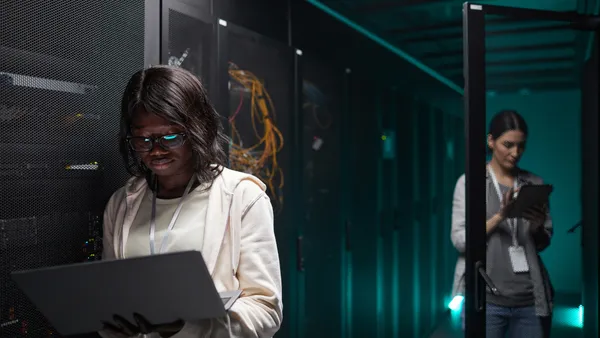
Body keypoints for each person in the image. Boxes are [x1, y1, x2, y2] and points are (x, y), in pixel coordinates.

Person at [99, 65, 283, 338]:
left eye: (170, 136)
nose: (156, 150)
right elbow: (109, 301)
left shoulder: (242, 197)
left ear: (198, 129)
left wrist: (186, 326)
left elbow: (265, 311)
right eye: (143, 139)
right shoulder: (122, 203)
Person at [450, 110, 554, 338]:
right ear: (490, 141)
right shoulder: (469, 183)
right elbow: (460, 241)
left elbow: (543, 242)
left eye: (521, 146)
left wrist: (537, 227)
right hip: (485, 300)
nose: (515, 153)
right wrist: (500, 216)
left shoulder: (534, 183)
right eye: (508, 145)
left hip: (529, 299)